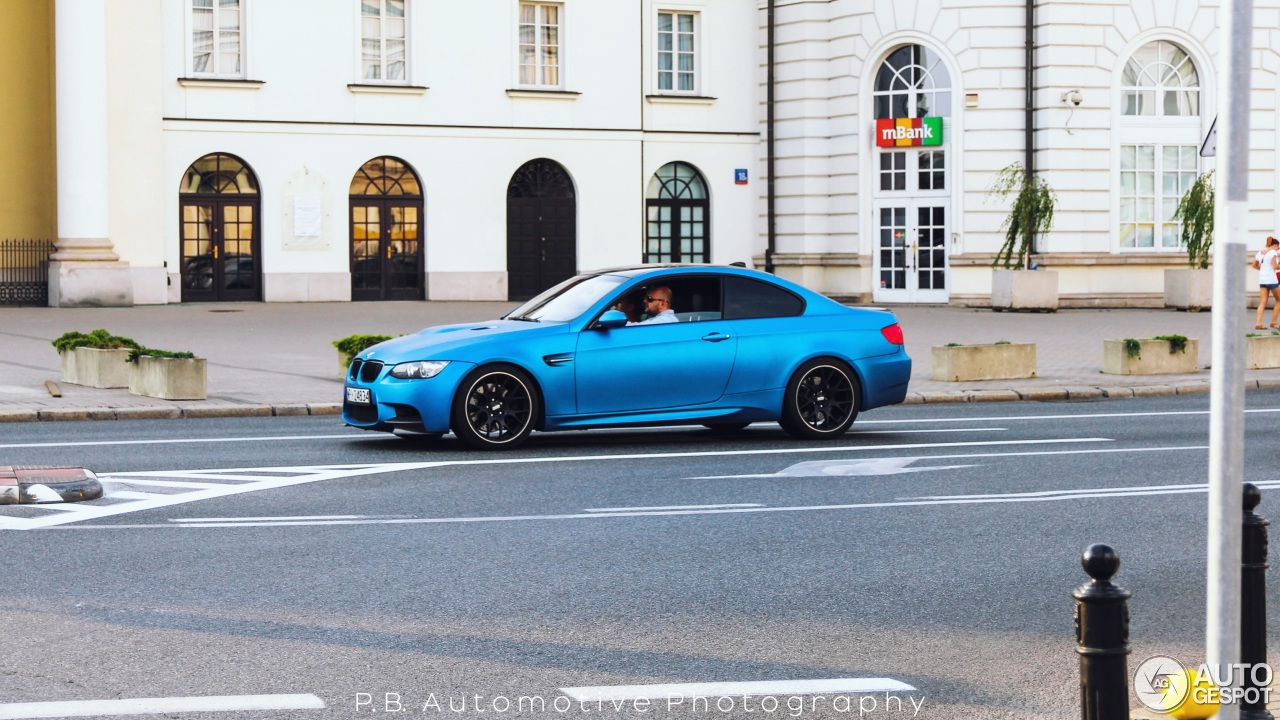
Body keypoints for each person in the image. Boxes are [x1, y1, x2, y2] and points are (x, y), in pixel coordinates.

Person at [1256, 236, 1280, 330]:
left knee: (1262, 302)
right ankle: (1273, 322)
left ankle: (1258, 323)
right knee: (1279, 300)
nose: (1278, 249)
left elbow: (1255, 265)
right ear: (1275, 245)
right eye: (1278, 247)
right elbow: (1275, 266)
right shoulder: (1273, 252)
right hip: (1271, 280)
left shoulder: (1260, 253)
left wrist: (1263, 270)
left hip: (1262, 280)